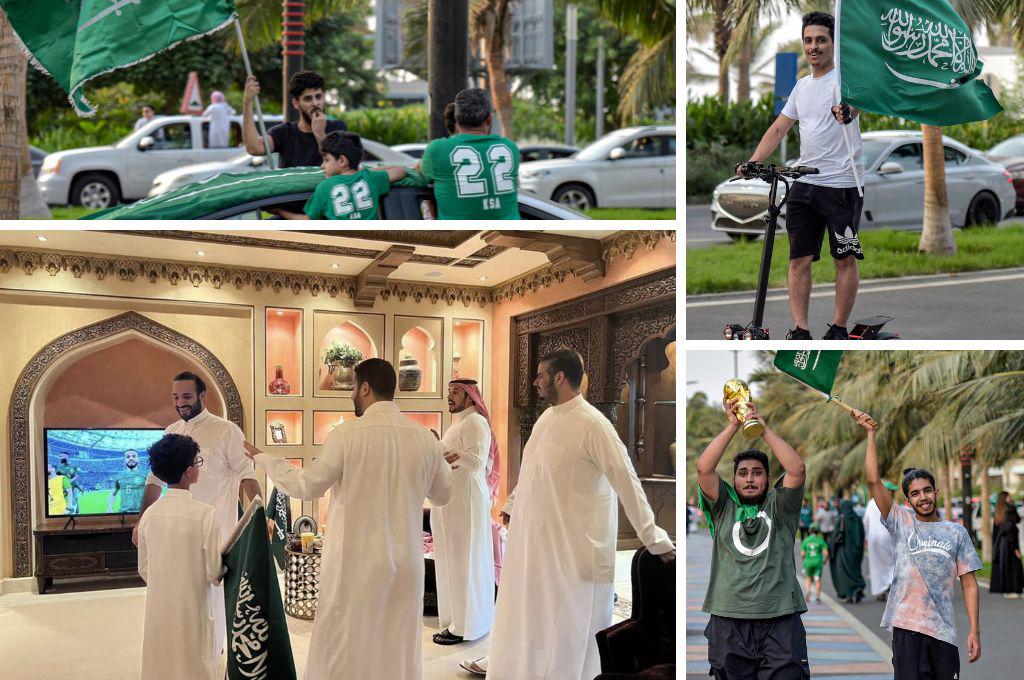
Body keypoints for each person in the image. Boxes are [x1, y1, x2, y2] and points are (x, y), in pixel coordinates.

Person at [243, 358, 452, 680]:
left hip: (355, 561)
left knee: (345, 641)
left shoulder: (347, 435)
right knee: (396, 641)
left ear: (365, 387)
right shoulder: (426, 439)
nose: (352, 394)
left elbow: (307, 486)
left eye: (354, 387)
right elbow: (442, 496)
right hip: (405, 562)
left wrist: (265, 458)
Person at [485, 349, 674, 680]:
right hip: (537, 546)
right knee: (535, 623)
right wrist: (513, 505)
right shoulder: (546, 419)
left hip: (575, 552)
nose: (535, 382)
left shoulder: (593, 424)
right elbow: (532, 470)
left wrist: (654, 537)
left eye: (541, 375)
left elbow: (626, 480)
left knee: (571, 631)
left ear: (560, 377)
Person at [742, 11, 864, 340]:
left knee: (845, 259)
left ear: (833, 44)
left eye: (821, 40)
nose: (814, 46)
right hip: (805, 182)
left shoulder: (846, 81)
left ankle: (839, 327)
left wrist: (847, 113)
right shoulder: (801, 87)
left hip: (842, 185)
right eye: (808, 40)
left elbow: (854, 107)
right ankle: (801, 330)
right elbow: (780, 127)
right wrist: (752, 161)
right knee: (798, 260)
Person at [135, 371, 260, 656]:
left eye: (187, 396)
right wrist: (141, 522)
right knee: (173, 598)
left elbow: (247, 476)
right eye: (176, 397)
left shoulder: (226, 431)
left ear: (203, 395)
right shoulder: (170, 431)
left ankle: (212, 656)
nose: (180, 403)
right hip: (175, 530)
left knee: (213, 602)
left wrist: (259, 515)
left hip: (216, 530)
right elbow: (153, 480)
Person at [853, 408, 982, 678]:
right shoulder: (900, 521)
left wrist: (974, 630)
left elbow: (969, 583)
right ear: (907, 500)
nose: (922, 497)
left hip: (943, 633)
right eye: (915, 494)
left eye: (927, 491)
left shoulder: (956, 532)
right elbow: (873, 481)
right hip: (907, 631)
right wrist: (870, 434)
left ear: (936, 493)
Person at [697, 395, 809, 679]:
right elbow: (704, 469)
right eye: (743, 473)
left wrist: (762, 428)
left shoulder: (781, 507)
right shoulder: (724, 506)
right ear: (733, 480)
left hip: (781, 619)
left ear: (768, 480)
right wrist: (733, 425)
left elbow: (796, 469)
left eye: (757, 473)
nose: (750, 479)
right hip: (728, 621)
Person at [137, 433, 222, 680]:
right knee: (195, 657)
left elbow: (144, 568)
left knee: (159, 656)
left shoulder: (149, 516)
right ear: (188, 471)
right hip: (192, 603)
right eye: (197, 461)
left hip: (158, 603)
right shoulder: (206, 514)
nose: (198, 467)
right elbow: (214, 572)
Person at [430, 379, 498, 646]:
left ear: (470, 397)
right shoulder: (460, 423)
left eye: (455, 392)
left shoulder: (476, 423)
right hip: (452, 501)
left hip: (467, 500)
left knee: (465, 560)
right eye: (448, 392)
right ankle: (455, 622)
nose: (450, 397)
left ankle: (468, 626)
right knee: (453, 560)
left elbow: (476, 461)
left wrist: (440, 447)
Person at [420, 88, 520, 220]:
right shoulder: (510, 148)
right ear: (489, 119)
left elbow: (422, 172)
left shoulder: (436, 149)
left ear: (457, 119)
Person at [272, 131, 405, 220]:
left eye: (326, 160)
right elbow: (400, 170)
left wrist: (279, 211)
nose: (322, 166)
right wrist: (366, 171)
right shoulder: (371, 178)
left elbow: (307, 220)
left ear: (342, 161)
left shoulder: (325, 187)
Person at [242, 70, 347, 168]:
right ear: (296, 104)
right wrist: (247, 103)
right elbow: (254, 148)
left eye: (318, 97)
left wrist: (320, 135)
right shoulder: (284, 132)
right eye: (308, 99)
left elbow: (340, 165)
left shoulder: (337, 128)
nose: (315, 103)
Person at [864, 482, 897, 601]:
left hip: (873, 538)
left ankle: (881, 589)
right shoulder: (890, 502)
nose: (893, 493)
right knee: (892, 563)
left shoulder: (870, 503)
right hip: (888, 536)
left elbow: (866, 522)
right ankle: (890, 585)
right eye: (891, 490)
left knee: (876, 565)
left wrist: (866, 538)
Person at [829, 498, 866, 603]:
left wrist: (830, 546)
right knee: (855, 570)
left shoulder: (841, 518)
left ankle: (849, 594)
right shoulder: (857, 519)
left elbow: (836, 535)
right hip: (856, 552)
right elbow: (862, 535)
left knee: (844, 572)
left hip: (843, 551)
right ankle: (858, 588)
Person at [991, 490, 1023, 598]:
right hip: (1010, 543)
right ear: (1005, 498)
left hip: (1001, 544)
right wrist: (1016, 549)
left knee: (1005, 566)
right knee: (1015, 566)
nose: (1011, 497)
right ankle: (1013, 590)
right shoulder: (1010, 510)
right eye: (1009, 496)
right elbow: (1014, 525)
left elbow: (996, 532)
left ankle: (1006, 589)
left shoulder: (998, 512)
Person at [108, 449, 148, 513]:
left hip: (142, 513)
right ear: (124, 461)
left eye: (134, 456)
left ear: (138, 459)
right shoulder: (119, 476)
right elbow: (113, 494)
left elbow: (154, 492)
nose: (131, 458)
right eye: (128, 457)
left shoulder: (146, 474)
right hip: (123, 514)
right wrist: (109, 508)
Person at [801, 523, 829, 603]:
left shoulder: (806, 540)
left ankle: (807, 592)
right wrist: (825, 560)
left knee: (808, 578)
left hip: (808, 562)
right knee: (817, 579)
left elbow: (803, 554)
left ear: (810, 530)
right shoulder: (820, 541)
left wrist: (803, 560)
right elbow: (826, 553)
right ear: (818, 532)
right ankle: (817, 597)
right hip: (818, 562)